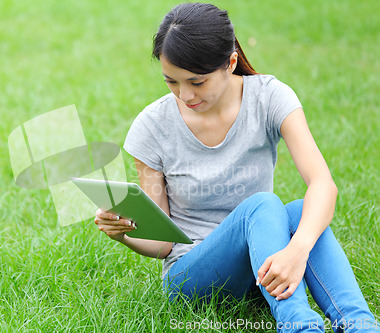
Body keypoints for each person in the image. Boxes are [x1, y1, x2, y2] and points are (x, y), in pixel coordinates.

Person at [94, 3, 378, 332]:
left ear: (230, 63)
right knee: (264, 204)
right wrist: (125, 234)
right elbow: (162, 244)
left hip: (263, 268)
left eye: (196, 82)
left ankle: (361, 325)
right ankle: (299, 325)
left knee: (301, 212)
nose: (184, 95)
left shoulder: (270, 98)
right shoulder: (152, 126)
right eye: (171, 81)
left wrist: (297, 250)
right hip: (191, 278)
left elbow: (323, 184)